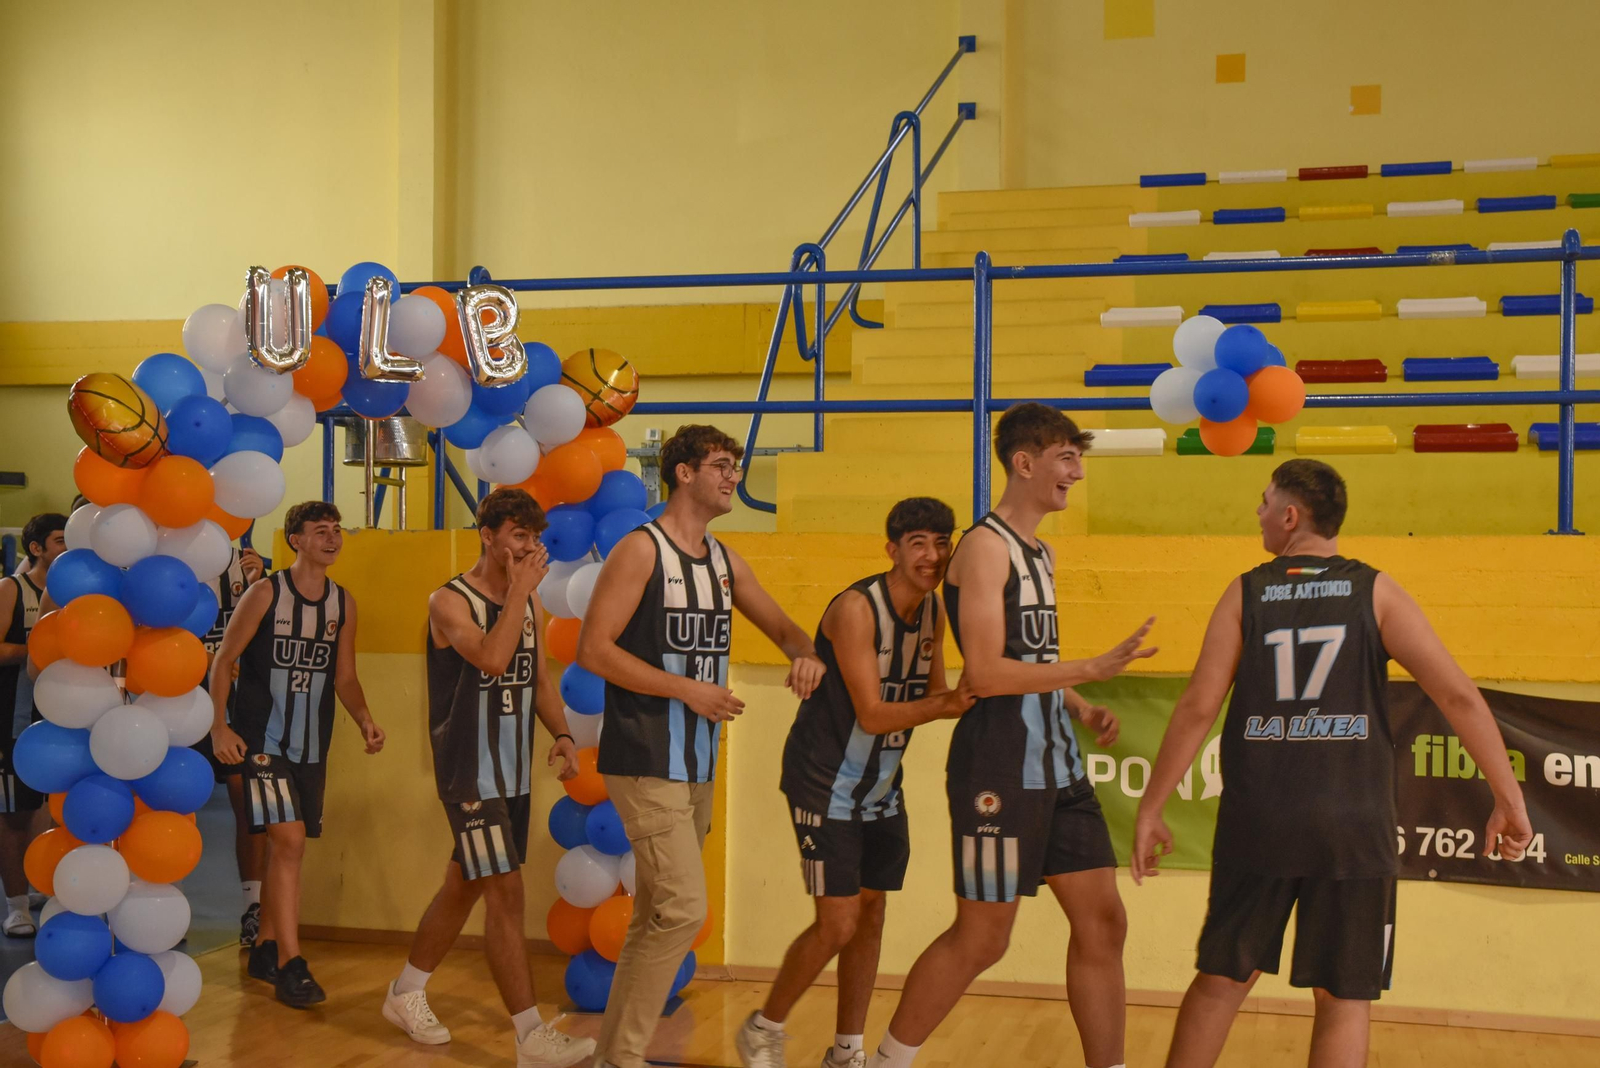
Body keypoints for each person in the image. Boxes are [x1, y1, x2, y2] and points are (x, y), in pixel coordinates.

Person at [1131, 459, 1533, 1068]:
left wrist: (1152, 807)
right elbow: (1457, 696)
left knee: (1221, 980)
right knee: (1343, 997)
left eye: (1265, 502)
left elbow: (1196, 708)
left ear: (1291, 516)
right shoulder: (1376, 590)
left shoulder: (1248, 590)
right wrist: (1509, 798)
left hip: (1261, 820)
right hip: (1353, 825)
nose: (1258, 512)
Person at [865, 403, 1156, 1068]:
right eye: (1065, 458)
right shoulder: (985, 547)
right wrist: (1093, 666)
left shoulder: (1040, 551)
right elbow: (988, 673)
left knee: (1104, 920)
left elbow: (1029, 653)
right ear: (1023, 463)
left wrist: (1078, 704)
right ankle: (886, 1061)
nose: (1076, 472)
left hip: (1057, 762)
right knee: (983, 937)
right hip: (999, 764)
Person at [577, 424, 827, 1068]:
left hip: (695, 761)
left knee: (656, 914)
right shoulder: (640, 550)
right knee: (684, 911)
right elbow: (594, 650)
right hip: (643, 754)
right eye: (720, 465)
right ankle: (624, 1057)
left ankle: (612, 1056)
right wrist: (688, 690)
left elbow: (786, 629)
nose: (733, 476)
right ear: (683, 473)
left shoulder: (722, 560)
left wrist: (804, 656)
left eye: (736, 466)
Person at [736, 497, 975, 1068]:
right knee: (838, 921)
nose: (932, 554)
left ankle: (847, 1050)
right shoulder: (857, 609)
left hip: (880, 786)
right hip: (823, 782)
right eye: (918, 542)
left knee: (871, 914)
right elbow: (872, 713)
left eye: (942, 542)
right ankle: (763, 1026)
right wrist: (953, 702)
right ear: (892, 549)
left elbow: (933, 696)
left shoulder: (935, 611)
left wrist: (988, 695)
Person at [381, 488, 595, 1067]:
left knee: (465, 884)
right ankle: (530, 1038)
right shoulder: (448, 601)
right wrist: (521, 594)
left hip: (512, 771)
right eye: (519, 536)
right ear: (489, 535)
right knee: (506, 891)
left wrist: (565, 737)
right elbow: (494, 660)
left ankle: (405, 992)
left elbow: (539, 680)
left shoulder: (528, 603)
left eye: (535, 538)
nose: (530, 548)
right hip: (468, 770)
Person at [209, 501, 386, 1008]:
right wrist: (219, 725)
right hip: (261, 743)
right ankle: (292, 962)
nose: (332, 538)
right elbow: (224, 660)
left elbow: (345, 677)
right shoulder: (266, 592)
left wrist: (366, 719)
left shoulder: (343, 603)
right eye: (320, 531)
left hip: (311, 746)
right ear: (296, 540)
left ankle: (265, 946)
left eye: (337, 531)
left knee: (290, 846)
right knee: (288, 844)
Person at [192, 544, 270, 948]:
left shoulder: (245, 564)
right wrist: (200, 657)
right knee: (173, 804)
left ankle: (252, 908)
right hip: (177, 703)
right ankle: (155, 906)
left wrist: (255, 584)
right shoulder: (168, 558)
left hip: (236, 703)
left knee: (248, 805)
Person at [0, 513, 66, 937]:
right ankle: (16, 905)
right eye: (59, 540)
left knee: (50, 811)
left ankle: (40, 886)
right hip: (15, 718)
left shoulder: (77, 593)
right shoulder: (12, 589)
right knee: (13, 814)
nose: (67, 548)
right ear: (37, 549)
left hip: (60, 720)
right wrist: (38, 651)